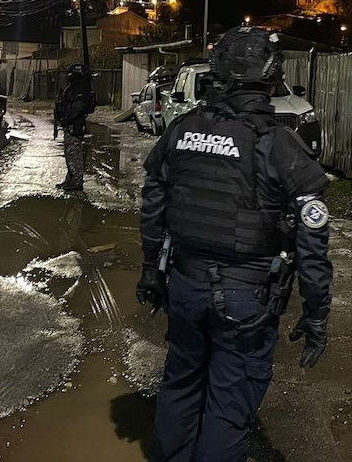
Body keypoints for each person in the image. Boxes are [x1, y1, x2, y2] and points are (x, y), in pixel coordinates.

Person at [135, 26, 332, 461]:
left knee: (181, 383)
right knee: (229, 404)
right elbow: (313, 238)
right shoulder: (279, 144)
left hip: (184, 286)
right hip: (247, 300)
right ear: (272, 77)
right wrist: (317, 311)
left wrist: (152, 269)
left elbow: (153, 205)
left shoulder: (182, 130)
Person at [52, 63, 96, 191]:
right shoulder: (74, 88)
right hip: (70, 125)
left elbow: (78, 108)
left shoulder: (79, 90)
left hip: (74, 126)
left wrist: (66, 119)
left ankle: (76, 182)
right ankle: (70, 179)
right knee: (69, 153)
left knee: (74, 154)